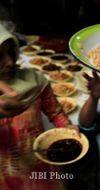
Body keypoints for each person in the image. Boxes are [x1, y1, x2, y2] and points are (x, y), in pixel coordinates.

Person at [0, 23, 74, 190]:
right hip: (5, 175)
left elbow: (55, 113)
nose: (10, 62)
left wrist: (67, 128)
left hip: (41, 166)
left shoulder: (34, 80)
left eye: (12, 52)